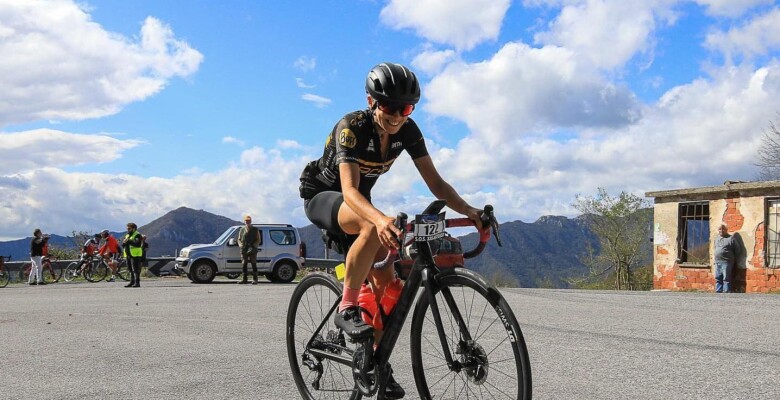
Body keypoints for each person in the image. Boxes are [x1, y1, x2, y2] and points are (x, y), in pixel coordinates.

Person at [298, 62, 483, 399]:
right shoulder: (351, 128)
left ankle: (373, 364)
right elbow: (350, 192)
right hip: (325, 195)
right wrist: (380, 220)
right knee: (372, 223)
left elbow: (437, 183)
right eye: (389, 106)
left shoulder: (408, 131)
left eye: (406, 108)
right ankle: (347, 308)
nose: (398, 115)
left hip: (360, 202)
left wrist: (470, 211)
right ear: (372, 102)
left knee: (389, 286)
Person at [237, 215, 260, 284]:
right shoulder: (241, 230)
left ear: (251, 221)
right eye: (246, 221)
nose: (247, 222)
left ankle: (255, 279)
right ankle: (244, 279)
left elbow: (258, 240)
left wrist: (254, 246)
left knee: (253, 263)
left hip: (252, 248)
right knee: (244, 264)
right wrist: (241, 245)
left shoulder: (255, 229)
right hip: (244, 249)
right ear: (244, 221)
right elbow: (239, 239)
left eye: (249, 221)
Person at [714, 224, 738, 293]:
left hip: (726, 262)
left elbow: (737, 250)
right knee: (718, 277)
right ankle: (718, 291)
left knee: (726, 278)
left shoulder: (731, 238)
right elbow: (715, 248)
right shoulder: (716, 239)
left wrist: (732, 258)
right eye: (720, 229)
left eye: (723, 229)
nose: (721, 230)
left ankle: (726, 291)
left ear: (726, 230)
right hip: (717, 262)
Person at [122, 222, 144, 288]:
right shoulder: (127, 235)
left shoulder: (137, 235)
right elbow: (124, 245)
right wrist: (124, 243)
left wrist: (129, 241)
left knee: (135, 269)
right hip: (128, 255)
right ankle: (131, 282)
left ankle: (137, 282)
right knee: (130, 269)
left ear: (133, 229)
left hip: (135, 255)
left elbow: (138, 244)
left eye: (129, 229)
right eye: (127, 229)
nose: (128, 230)